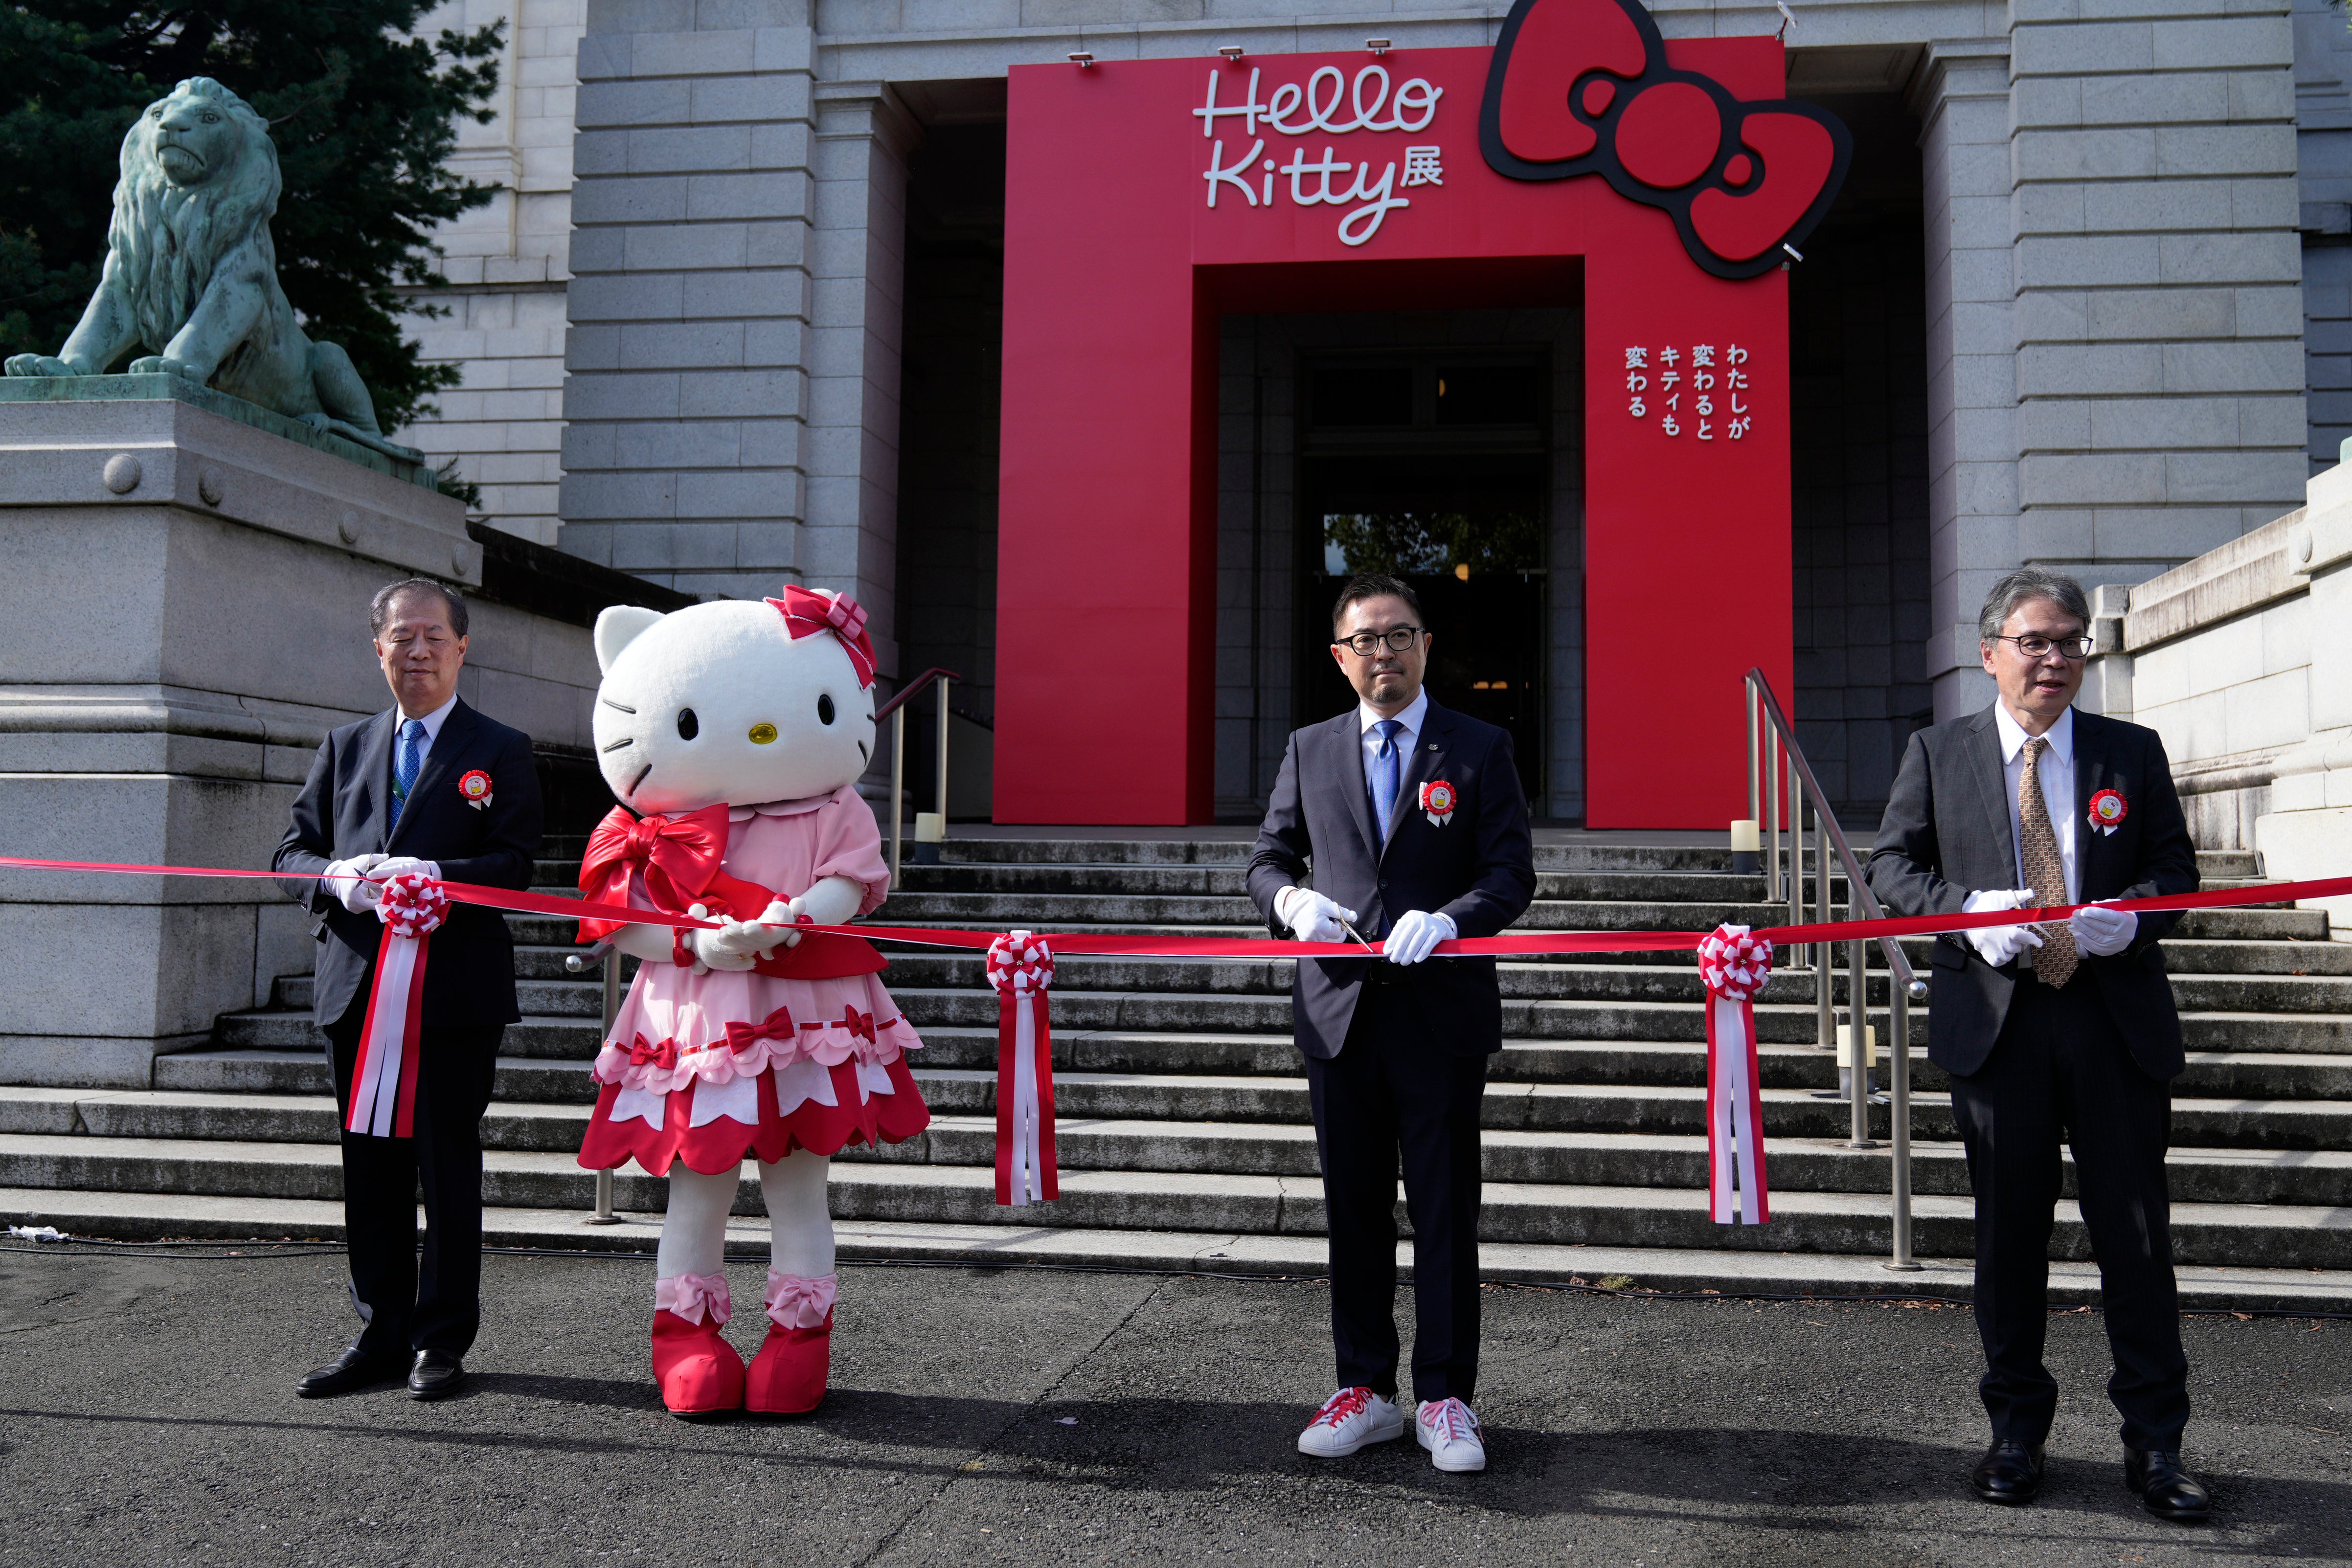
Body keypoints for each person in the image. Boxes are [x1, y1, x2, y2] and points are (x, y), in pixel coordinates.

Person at [1866, 566, 2207, 1521]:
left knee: (2135, 1241)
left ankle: (2157, 1446)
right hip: (1997, 1023)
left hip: (2111, 1019)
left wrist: (2134, 918)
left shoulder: (2128, 752)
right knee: (2007, 1241)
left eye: (2068, 642)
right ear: (1989, 656)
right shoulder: (1940, 751)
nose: (2054, 658)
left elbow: (2173, 868)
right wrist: (1962, 912)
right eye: (2033, 642)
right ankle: (2016, 1432)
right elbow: (1893, 863)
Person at [1246, 572, 1536, 1474]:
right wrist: (1289, 899)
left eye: (1400, 635)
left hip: (1439, 1011)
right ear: (1340, 657)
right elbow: (1267, 858)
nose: (1385, 653)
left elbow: (1510, 875)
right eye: (1366, 640)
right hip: (1339, 1009)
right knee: (1355, 1207)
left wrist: (1451, 916)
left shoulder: (1479, 746)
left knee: (1447, 1209)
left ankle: (1447, 1396)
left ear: (1425, 647)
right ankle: (1365, 1387)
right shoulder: (1310, 747)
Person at [273, 579, 543, 1401]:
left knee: (447, 1165)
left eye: (434, 637)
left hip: (452, 998)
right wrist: (336, 880)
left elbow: (516, 869)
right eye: (402, 638)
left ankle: (441, 1338)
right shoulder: (344, 745)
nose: (417, 651)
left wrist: (435, 875)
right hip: (356, 991)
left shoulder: (502, 747)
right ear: (378, 648)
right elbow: (290, 853)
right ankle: (380, 1330)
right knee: (370, 1169)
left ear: (462, 649)